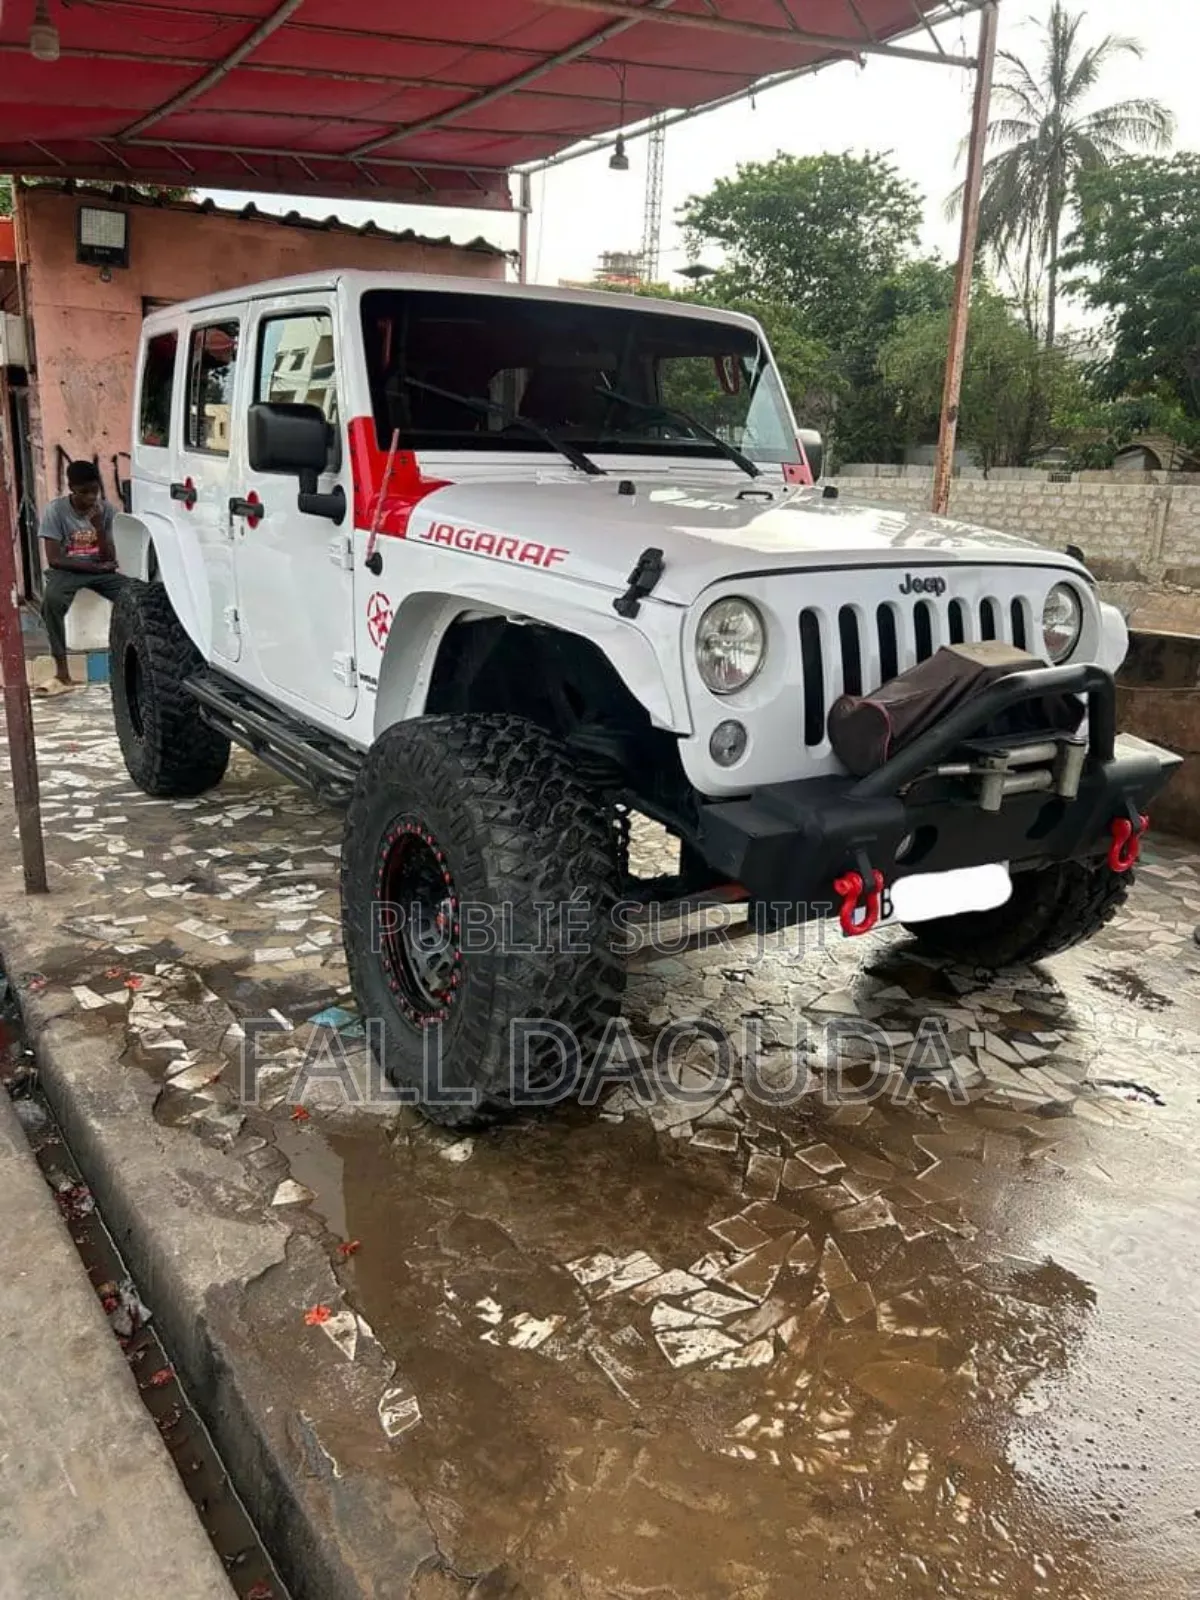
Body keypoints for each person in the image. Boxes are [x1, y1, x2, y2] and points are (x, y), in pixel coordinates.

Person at [39, 461, 126, 687]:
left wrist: (98, 527)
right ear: (72, 488)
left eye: (94, 491)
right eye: (84, 492)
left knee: (132, 595)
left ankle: (126, 660)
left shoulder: (105, 511)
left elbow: (109, 558)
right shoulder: (56, 511)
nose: (90, 497)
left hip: (100, 570)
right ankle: (62, 670)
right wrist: (94, 568)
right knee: (52, 602)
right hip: (67, 570)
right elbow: (54, 559)